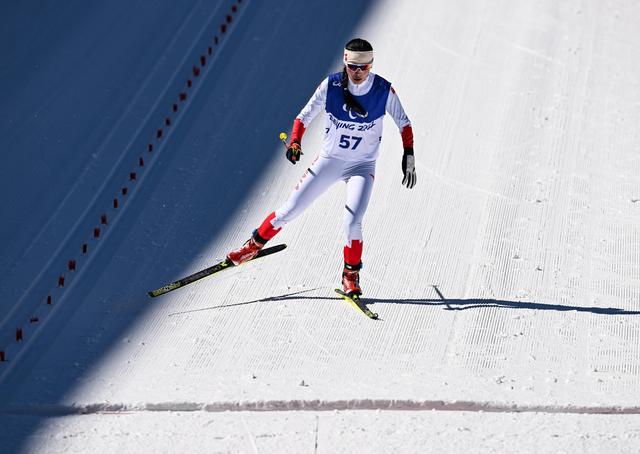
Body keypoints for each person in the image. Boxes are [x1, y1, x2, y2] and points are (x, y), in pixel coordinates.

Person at [226, 38, 416, 296]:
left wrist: (409, 154)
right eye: (353, 67)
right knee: (289, 210)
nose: (358, 73)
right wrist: (295, 141)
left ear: (371, 65)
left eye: (364, 67)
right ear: (345, 63)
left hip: (362, 165)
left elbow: (404, 123)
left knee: (353, 222)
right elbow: (303, 116)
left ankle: (351, 275)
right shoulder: (331, 86)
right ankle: (252, 246)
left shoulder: (384, 90)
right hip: (330, 161)